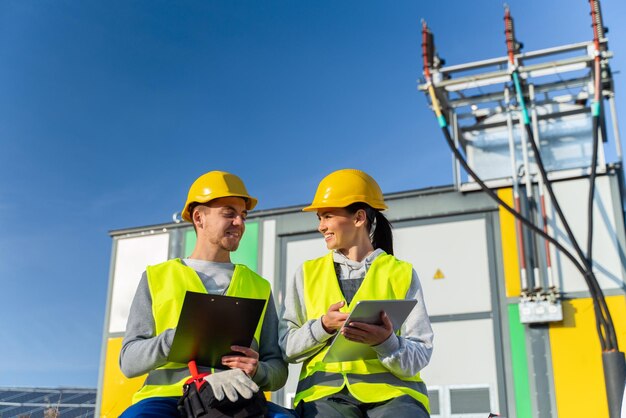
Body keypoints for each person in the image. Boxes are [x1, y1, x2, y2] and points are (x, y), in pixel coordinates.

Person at [119, 170, 292, 417]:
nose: (240, 223)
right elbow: (128, 362)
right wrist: (175, 339)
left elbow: (277, 370)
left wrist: (258, 370)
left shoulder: (259, 286)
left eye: (243, 215)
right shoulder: (156, 277)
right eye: (229, 214)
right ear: (199, 218)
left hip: (237, 396)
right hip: (167, 399)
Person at [279, 168, 434, 418]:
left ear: (359, 218)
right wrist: (322, 327)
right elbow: (286, 347)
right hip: (323, 397)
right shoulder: (306, 273)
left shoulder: (401, 273)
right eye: (319, 218)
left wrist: (386, 342)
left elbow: (420, 353)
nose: (321, 227)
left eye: (327, 216)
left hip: (396, 397)